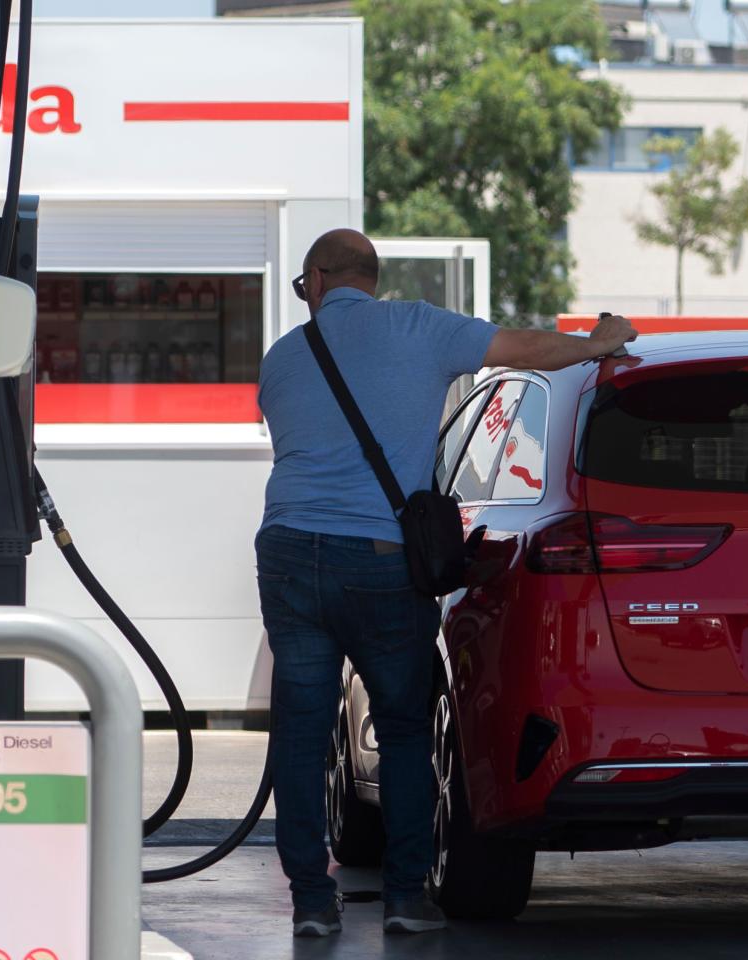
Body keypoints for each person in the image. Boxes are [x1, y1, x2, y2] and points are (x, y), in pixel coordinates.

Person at [255, 228, 635, 937]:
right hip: (378, 557)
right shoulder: (418, 327)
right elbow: (528, 349)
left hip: (288, 554)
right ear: (372, 278)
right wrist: (598, 341)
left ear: (318, 279)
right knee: (403, 729)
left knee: (301, 731)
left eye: (304, 286)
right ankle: (404, 899)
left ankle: (311, 903)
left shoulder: (282, 356)